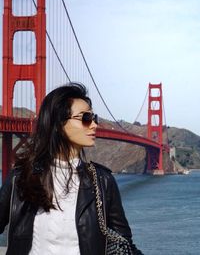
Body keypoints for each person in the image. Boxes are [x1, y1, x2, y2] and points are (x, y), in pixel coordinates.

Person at [0, 83, 143, 255]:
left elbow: (124, 245)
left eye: (94, 118)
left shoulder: (102, 181)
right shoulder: (21, 178)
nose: (94, 125)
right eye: (85, 118)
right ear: (59, 124)